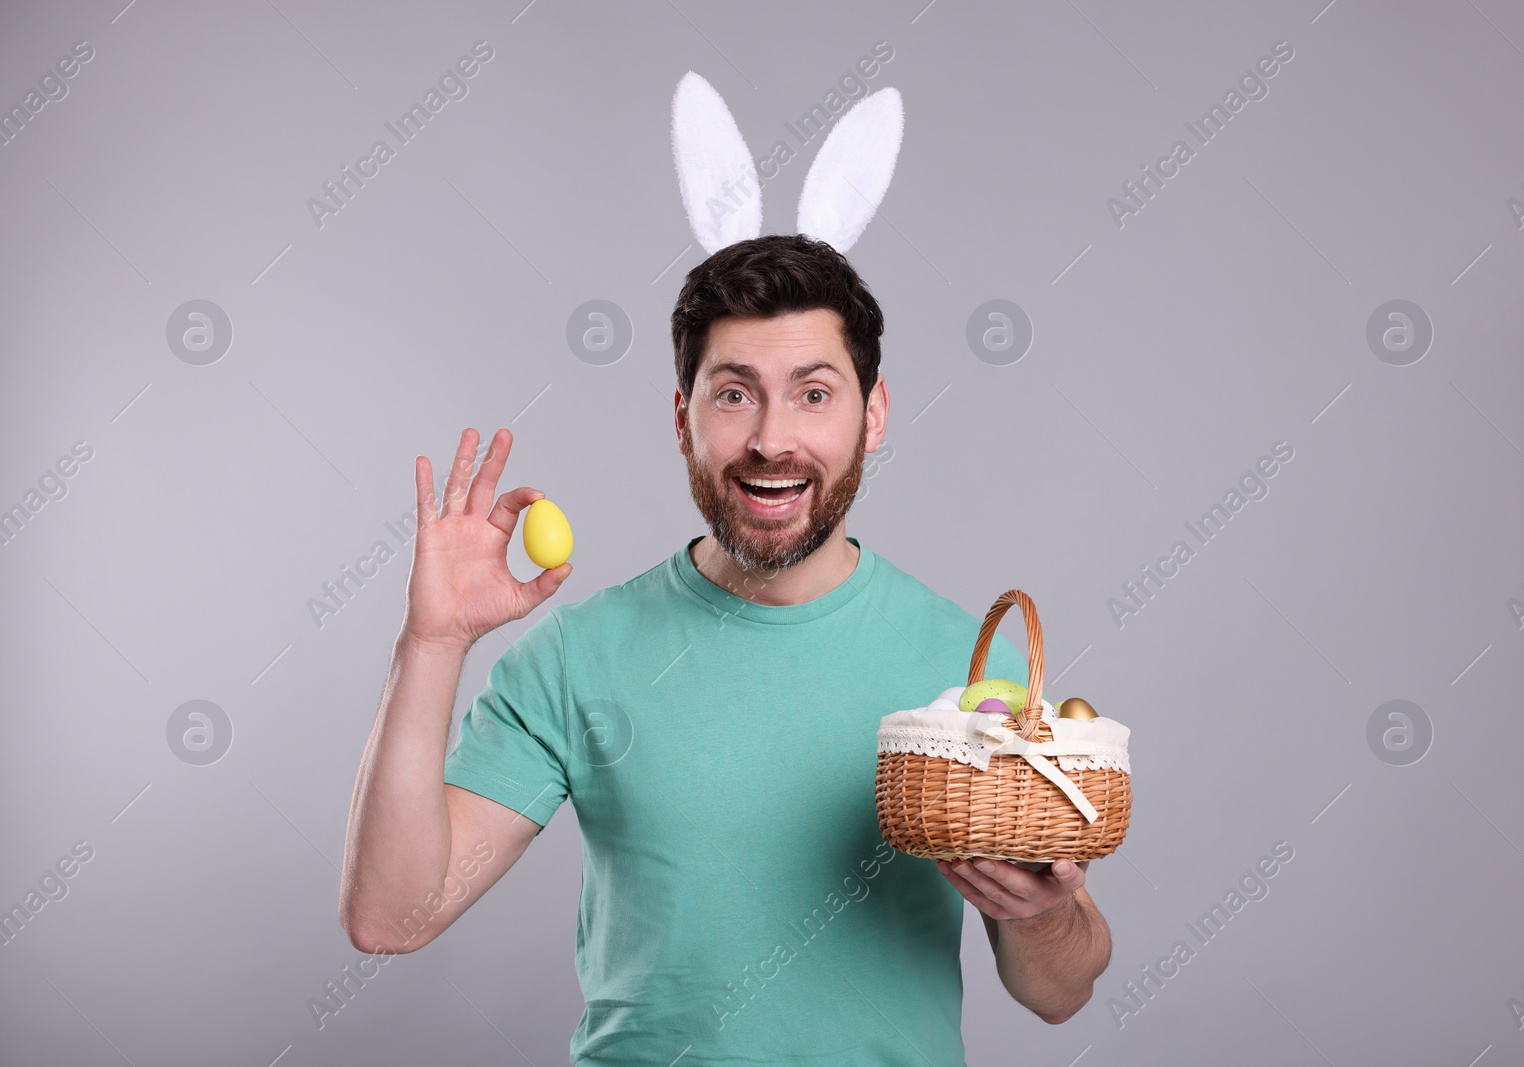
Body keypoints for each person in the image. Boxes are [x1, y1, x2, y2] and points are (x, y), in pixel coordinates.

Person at [339, 234, 1111, 1065]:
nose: (772, 439)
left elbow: (1058, 992)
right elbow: (393, 916)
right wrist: (432, 642)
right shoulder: (579, 654)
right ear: (684, 419)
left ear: (874, 412)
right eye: (735, 394)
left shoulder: (967, 670)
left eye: (814, 394)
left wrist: (1044, 911)